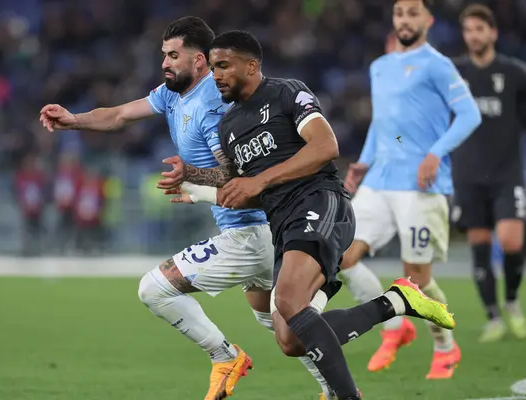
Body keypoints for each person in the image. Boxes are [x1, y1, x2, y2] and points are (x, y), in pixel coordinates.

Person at [40, 16, 336, 400]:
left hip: (252, 230)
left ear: (200, 62)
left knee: (154, 289)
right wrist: (73, 120)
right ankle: (336, 389)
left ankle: (224, 355)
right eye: (163, 54)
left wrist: (192, 177)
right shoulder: (171, 94)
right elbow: (118, 115)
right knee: (279, 322)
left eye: (173, 55)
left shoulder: (213, 105)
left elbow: (234, 175)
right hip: (264, 228)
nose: (165, 62)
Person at [160, 29, 456, 400]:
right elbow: (246, 192)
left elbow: (325, 146)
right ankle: (397, 302)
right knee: (290, 338)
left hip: (320, 202)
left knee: (286, 302)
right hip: (284, 225)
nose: (216, 75)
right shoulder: (229, 126)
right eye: (214, 67)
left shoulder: (286, 92)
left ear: (251, 66)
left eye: (223, 66)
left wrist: (260, 181)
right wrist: (198, 188)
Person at [337, 0, 482, 379]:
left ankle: (445, 347)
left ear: (428, 21)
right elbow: (383, 124)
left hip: (420, 185)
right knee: (341, 256)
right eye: (400, 13)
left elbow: (470, 114)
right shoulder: (380, 67)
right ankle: (394, 326)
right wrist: (363, 163)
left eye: (413, 13)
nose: (405, 19)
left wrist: (435, 154)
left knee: (415, 279)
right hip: (379, 181)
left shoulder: (437, 64)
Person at [452, 4, 526, 342]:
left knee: (512, 241)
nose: (474, 36)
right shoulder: (453, 75)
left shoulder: (515, 73)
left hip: (507, 173)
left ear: (492, 33)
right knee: (480, 245)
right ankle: (493, 317)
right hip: (467, 174)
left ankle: (511, 302)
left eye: (480, 29)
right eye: (468, 30)